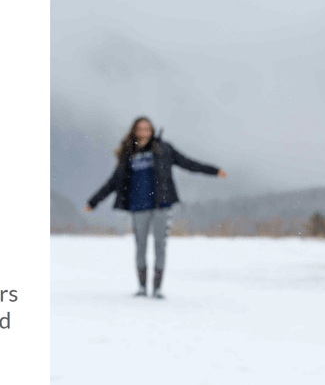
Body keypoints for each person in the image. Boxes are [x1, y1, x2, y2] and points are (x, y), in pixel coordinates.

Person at [86, 116, 227, 298]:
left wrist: (214, 171)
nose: (144, 131)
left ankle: (158, 288)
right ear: (135, 131)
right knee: (140, 247)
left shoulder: (164, 149)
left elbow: (188, 163)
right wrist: (93, 201)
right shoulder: (129, 154)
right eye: (140, 128)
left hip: (161, 205)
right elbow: (114, 181)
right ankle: (142, 287)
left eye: (147, 128)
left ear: (152, 130)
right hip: (138, 206)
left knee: (160, 245)